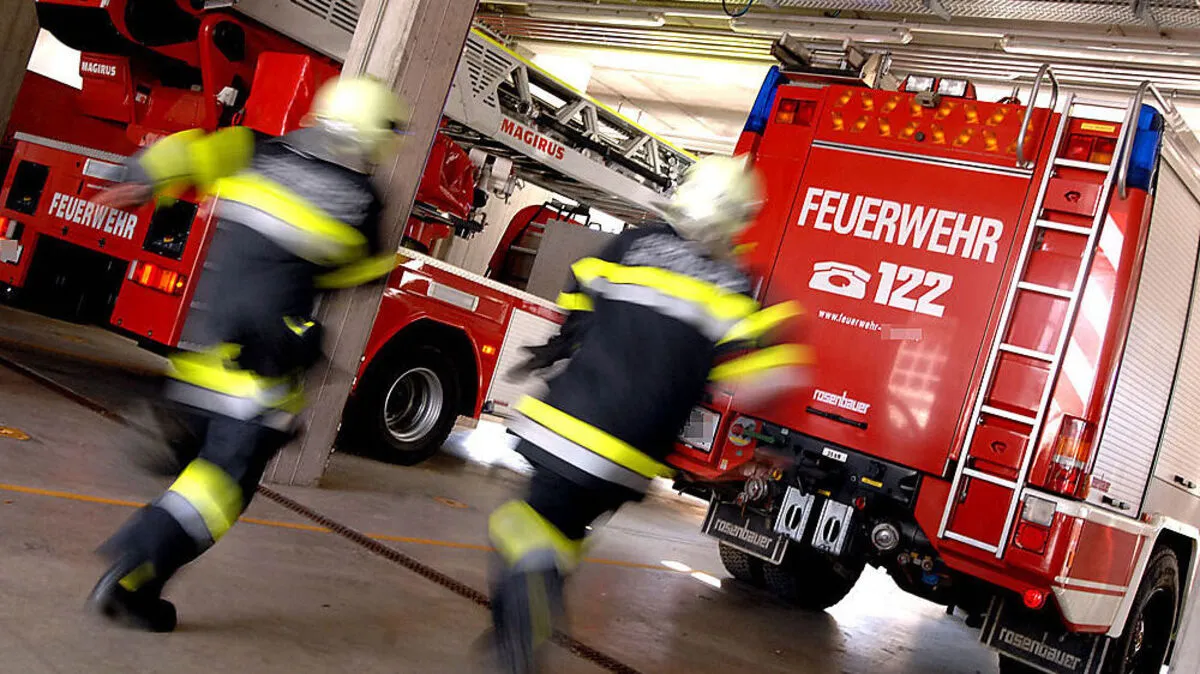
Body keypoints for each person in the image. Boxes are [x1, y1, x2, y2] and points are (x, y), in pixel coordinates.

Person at [85, 76, 409, 632]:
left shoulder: (256, 149)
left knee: (205, 460)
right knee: (223, 484)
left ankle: (174, 448)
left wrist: (137, 176)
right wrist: (379, 263)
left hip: (204, 343)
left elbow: (186, 149)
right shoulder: (361, 197)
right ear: (373, 134)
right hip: (265, 362)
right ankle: (134, 565)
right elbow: (358, 271)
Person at [487, 155, 813, 673]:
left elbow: (575, 295)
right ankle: (529, 623)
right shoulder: (734, 283)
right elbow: (762, 380)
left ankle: (517, 643)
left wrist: (571, 340)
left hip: (567, 425)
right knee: (562, 534)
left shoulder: (631, 246)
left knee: (522, 528)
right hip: (633, 456)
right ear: (739, 218)